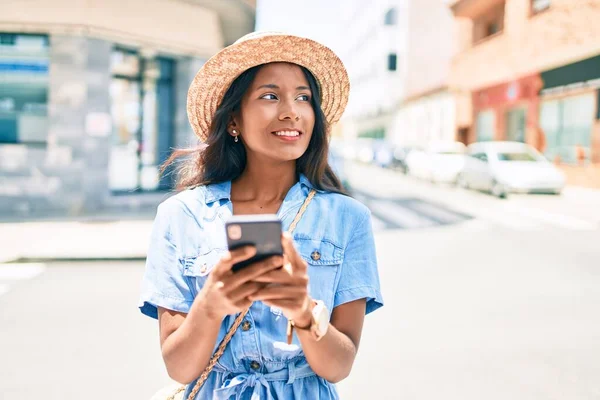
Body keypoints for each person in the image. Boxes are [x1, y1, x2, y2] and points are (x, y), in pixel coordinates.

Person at [139, 31, 383, 400]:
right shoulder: (180, 216)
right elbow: (179, 367)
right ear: (233, 118)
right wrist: (211, 305)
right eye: (270, 96)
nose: (291, 111)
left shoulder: (348, 218)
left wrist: (302, 310)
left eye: (303, 97)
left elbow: (338, 367)